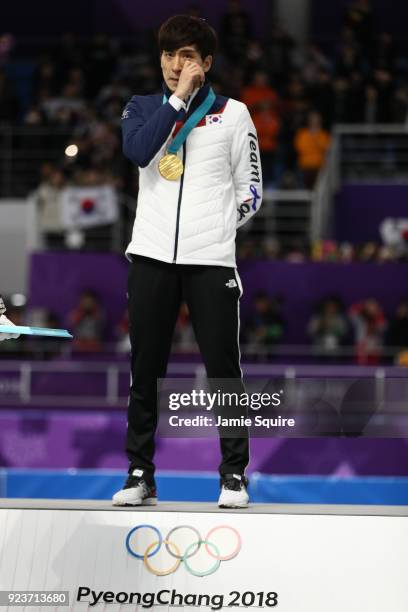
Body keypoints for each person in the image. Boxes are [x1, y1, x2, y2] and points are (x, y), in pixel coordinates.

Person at [113, 15, 262, 508]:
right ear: (160, 60)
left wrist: (222, 227)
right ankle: (139, 473)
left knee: (224, 369)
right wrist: (176, 102)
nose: (178, 64)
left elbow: (252, 189)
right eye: (170, 55)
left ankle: (234, 475)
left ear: (208, 63)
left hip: (211, 261)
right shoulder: (141, 108)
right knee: (145, 368)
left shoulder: (234, 114)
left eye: (189, 56)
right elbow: (138, 152)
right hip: (152, 256)